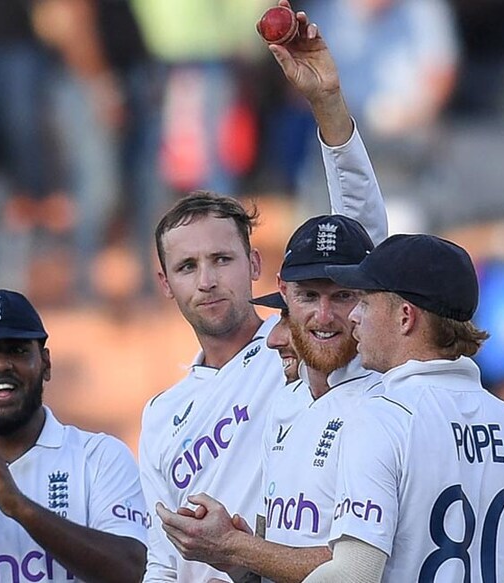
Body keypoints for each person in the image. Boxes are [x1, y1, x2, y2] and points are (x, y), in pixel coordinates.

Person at [138, 4, 388, 580]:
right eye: (188, 267)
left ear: (255, 264)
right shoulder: (160, 415)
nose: (207, 279)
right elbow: (162, 561)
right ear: (165, 284)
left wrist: (327, 105)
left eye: (223, 259)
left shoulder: (302, 352)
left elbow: (362, 243)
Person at [304, 234, 504, 582]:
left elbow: (354, 573)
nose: (354, 317)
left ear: (406, 317)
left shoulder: (382, 416)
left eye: (365, 302)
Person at [156, 214, 386, 583]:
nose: (324, 315)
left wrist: (231, 546)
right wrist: (234, 564)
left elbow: (356, 571)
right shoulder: (287, 402)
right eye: (308, 296)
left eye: (343, 295)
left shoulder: (386, 407)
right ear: (285, 295)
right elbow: (266, 555)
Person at [0, 288, 148, 582]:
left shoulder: (99, 456)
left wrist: (19, 507)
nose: (0, 365)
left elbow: (130, 570)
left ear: (46, 363)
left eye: (17, 350)